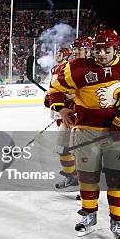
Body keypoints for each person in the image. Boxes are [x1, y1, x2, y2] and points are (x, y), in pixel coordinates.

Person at [49, 29, 120, 239]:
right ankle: (89, 214)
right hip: (86, 131)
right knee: (87, 177)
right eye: (97, 50)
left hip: (118, 134)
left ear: (115, 49)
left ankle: (119, 221)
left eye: (106, 50)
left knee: (118, 179)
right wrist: (60, 109)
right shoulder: (76, 68)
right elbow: (56, 88)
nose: (100, 54)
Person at [46, 47, 78, 191]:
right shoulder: (54, 69)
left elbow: (76, 91)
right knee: (63, 146)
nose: (56, 55)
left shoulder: (69, 68)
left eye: (59, 53)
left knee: (73, 147)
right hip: (61, 111)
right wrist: (50, 98)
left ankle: (78, 179)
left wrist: (68, 98)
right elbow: (53, 89)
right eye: (56, 53)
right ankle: (71, 175)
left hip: (73, 111)